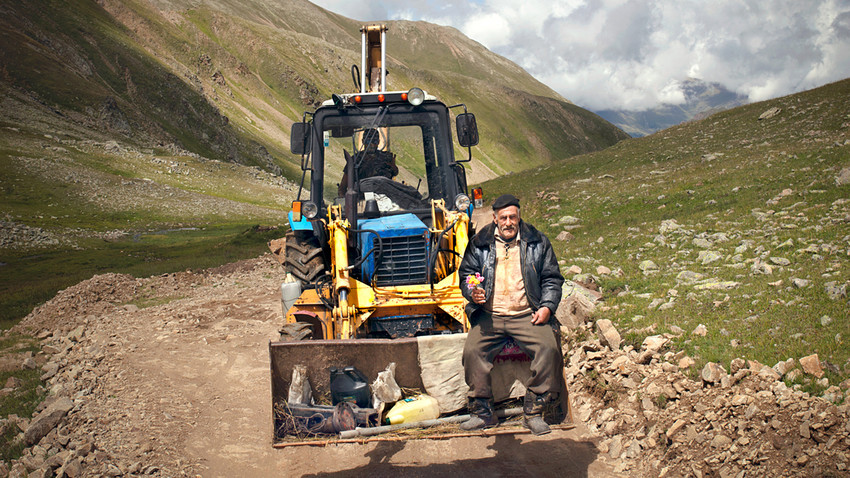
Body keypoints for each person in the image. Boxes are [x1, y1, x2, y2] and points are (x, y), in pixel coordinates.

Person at [458, 193, 565, 435]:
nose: (508, 223)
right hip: (490, 315)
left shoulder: (538, 242)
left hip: (527, 313)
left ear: (519, 218)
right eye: (503, 218)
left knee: (548, 350)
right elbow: (468, 274)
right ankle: (483, 412)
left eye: (513, 217)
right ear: (495, 219)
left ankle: (534, 412)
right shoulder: (479, 243)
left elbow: (552, 278)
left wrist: (547, 306)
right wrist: (473, 291)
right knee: (472, 352)